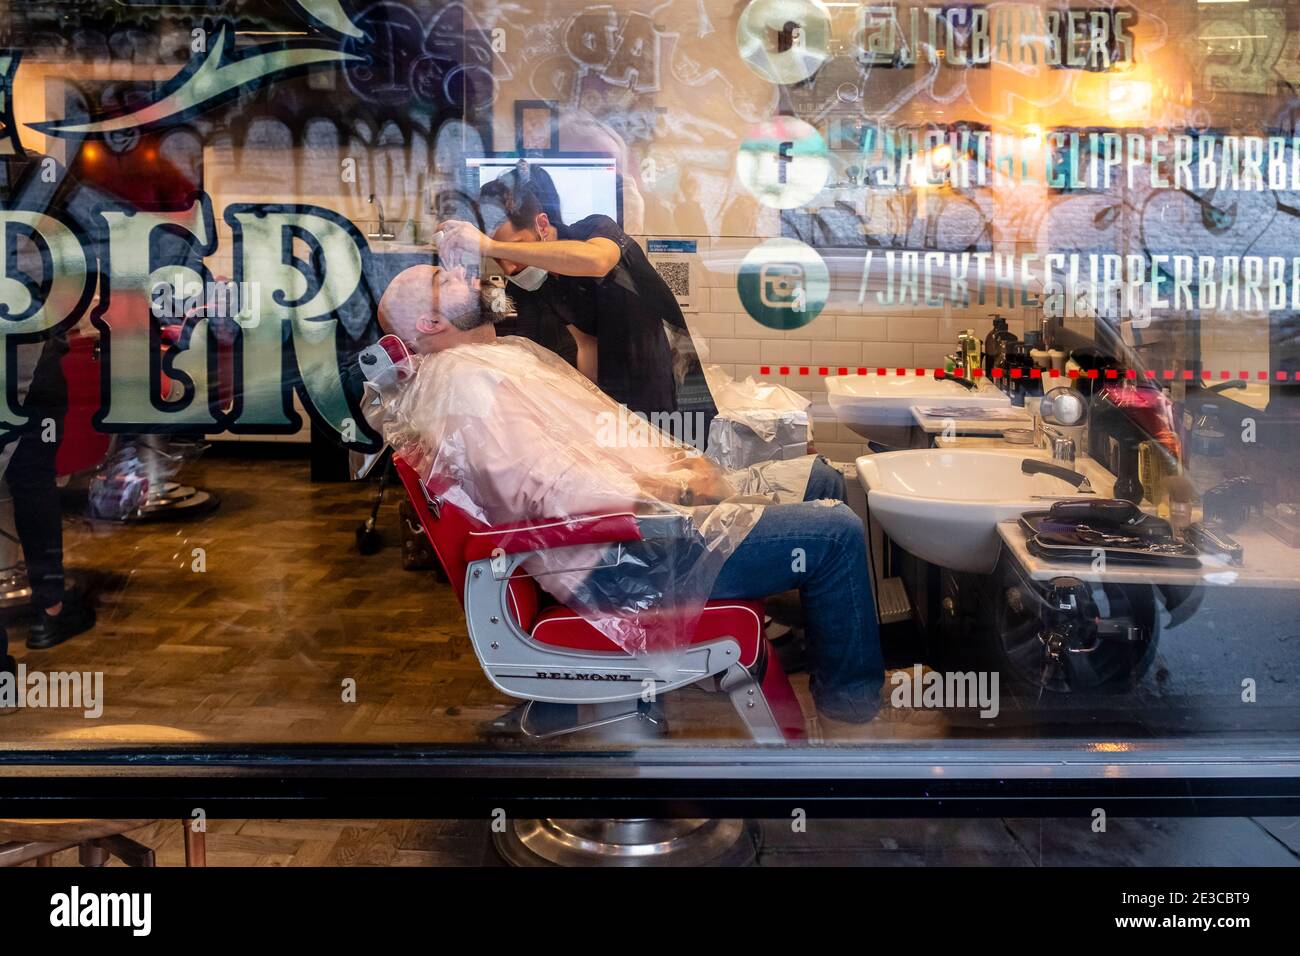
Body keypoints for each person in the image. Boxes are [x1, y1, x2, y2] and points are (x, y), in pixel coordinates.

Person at [373, 264, 883, 723]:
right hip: (618, 558)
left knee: (818, 479)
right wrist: (677, 485)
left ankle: (827, 645)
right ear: (429, 324)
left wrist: (682, 462)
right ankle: (852, 719)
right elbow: (547, 486)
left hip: (644, 520)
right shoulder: (463, 381)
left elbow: (603, 437)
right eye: (446, 280)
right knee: (835, 531)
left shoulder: (499, 358)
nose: (465, 274)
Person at [438, 163, 715, 437]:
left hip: (668, 374)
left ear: (542, 224)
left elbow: (597, 261)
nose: (509, 268)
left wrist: (490, 247)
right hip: (617, 386)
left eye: (516, 248)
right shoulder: (543, 282)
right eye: (498, 260)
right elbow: (586, 343)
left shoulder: (595, 229)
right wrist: (586, 405)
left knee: (682, 467)